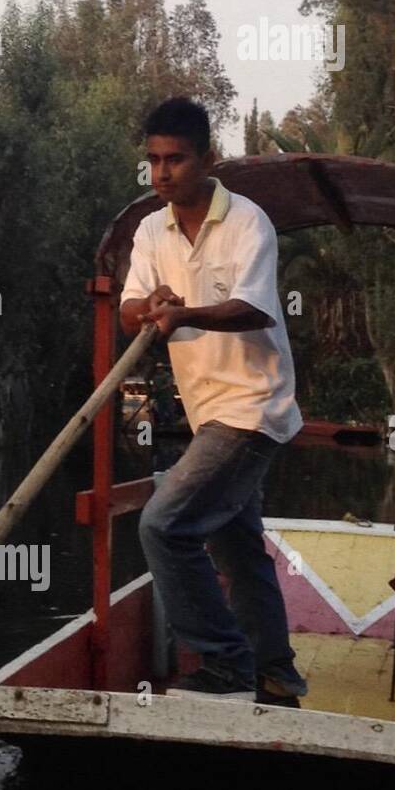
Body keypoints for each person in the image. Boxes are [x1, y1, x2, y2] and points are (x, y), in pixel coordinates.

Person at [120, 96, 308, 706]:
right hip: (206, 414)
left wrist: (186, 312)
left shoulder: (248, 221)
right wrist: (149, 309)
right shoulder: (153, 229)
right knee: (238, 550)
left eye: (175, 159)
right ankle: (277, 673)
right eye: (152, 161)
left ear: (208, 159)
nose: (162, 173)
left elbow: (255, 308)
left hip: (253, 408)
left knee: (163, 524)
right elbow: (129, 309)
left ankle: (225, 663)